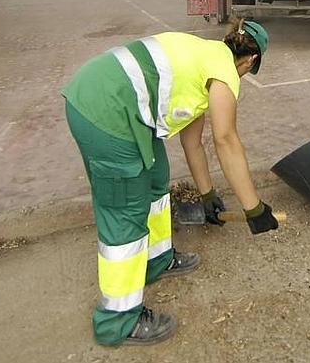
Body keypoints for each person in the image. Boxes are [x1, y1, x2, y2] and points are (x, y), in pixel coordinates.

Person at [62, 19, 279, 346]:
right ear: (249, 61)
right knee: (125, 210)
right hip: (104, 107)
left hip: (115, 99)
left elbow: (194, 143)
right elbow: (226, 140)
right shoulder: (224, 70)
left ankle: (157, 259)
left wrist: (208, 195)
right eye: (249, 69)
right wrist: (254, 209)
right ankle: (118, 321)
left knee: (156, 178)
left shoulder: (205, 59)